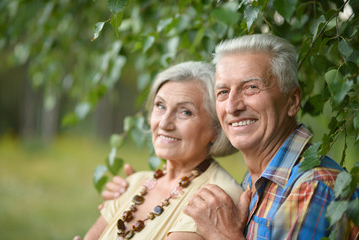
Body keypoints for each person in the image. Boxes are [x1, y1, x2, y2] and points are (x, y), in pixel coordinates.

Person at [102, 34, 359, 239]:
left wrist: (222, 236)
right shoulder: (254, 180)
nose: (233, 105)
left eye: (251, 87)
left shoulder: (313, 186)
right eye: (223, 92)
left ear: (292, 101)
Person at [83, 61, 243, 240]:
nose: (164, 123)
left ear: (216, 128)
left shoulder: (216, 196)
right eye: (160, 106)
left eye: (185, 112)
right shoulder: (134, 183)